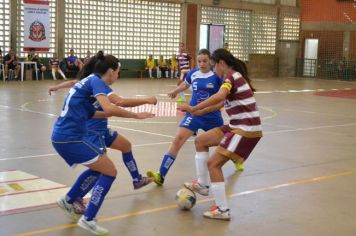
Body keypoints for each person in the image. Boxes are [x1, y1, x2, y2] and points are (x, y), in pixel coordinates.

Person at [52, 53, 154, 234]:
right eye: (118, 72)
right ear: (111, 71)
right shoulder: (97, 81)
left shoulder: (88, 80)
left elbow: (94, 113)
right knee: (109, 171)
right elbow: (112, 105)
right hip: (71, 138)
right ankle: (88, 218)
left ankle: (69, 200)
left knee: (101, 168)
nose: (118, 75)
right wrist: (136, 114)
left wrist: (109, 113)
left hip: (64, 136)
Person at [179, 48, 262, 220]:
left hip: (246, 129)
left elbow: (220, 96)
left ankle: (222, 209)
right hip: (235, 125)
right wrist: (200, 113)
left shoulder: (230, 77)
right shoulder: (233, 76)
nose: (213, 69)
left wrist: (194, 108)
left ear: (221, 64)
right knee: (200, 141)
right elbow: (220, 104)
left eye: (213, 65)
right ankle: (202, 184)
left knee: (213, 164)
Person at [147, 49, 224, 186]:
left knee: (225, 143)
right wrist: (175, 91)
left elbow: (221, 98)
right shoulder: (193, 73)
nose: (202, 64)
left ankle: (237, 160)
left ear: (210, 61)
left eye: (205, 61)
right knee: (178, 140)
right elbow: (185, 84)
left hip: (212, 116)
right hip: (193, 114)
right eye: (199, 61)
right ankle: (161, 175)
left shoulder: (217, 76)